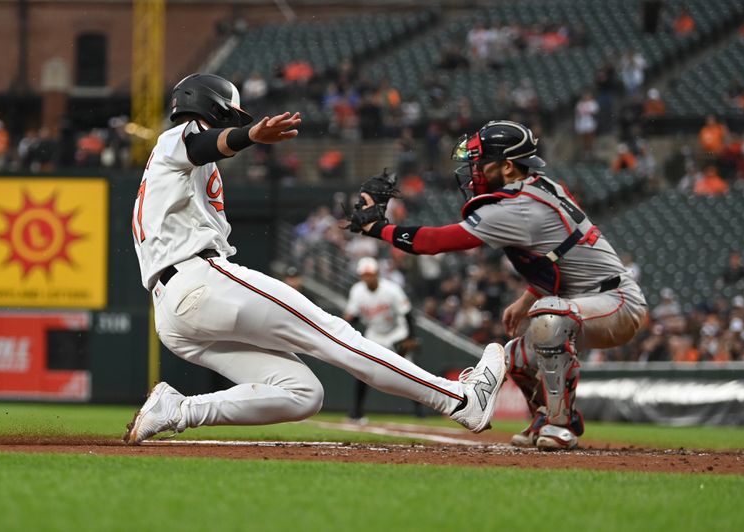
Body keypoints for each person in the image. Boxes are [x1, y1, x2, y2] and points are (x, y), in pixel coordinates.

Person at [123, 73, 507, 444]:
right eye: (231, 116)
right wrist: (249, 135)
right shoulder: (175, 141)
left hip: (173, 313)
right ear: (215, 109)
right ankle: (459, 399)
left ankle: (178, 410)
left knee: (303, 393)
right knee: (335, 336)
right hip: (200, 280)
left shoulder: (170, 173)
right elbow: (200, 142)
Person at [348, 120, 648, 450]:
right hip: (588, 300)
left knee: (548, 317)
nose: (473, 171)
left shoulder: (517, 208)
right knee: (513, 356)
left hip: (616, 301)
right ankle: (543, 418)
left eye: (480, 163)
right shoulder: (536, 187)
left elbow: (433, 242)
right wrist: (527, 297)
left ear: (507, 166)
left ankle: (561, 425)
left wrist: (379, 228)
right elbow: (559, 257)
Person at [344, 257, 424, 422]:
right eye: (364, 275)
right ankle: (357, 412)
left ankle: (420, 410)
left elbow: (407, 313)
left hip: (396, 332)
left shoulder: (391, 289)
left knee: (408, 371)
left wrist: (411, 337)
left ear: (377, 274)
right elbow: (353, 316)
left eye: (370, 274)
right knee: (363, 371)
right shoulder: (357, 291)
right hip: (374, 333)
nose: (368, 278)